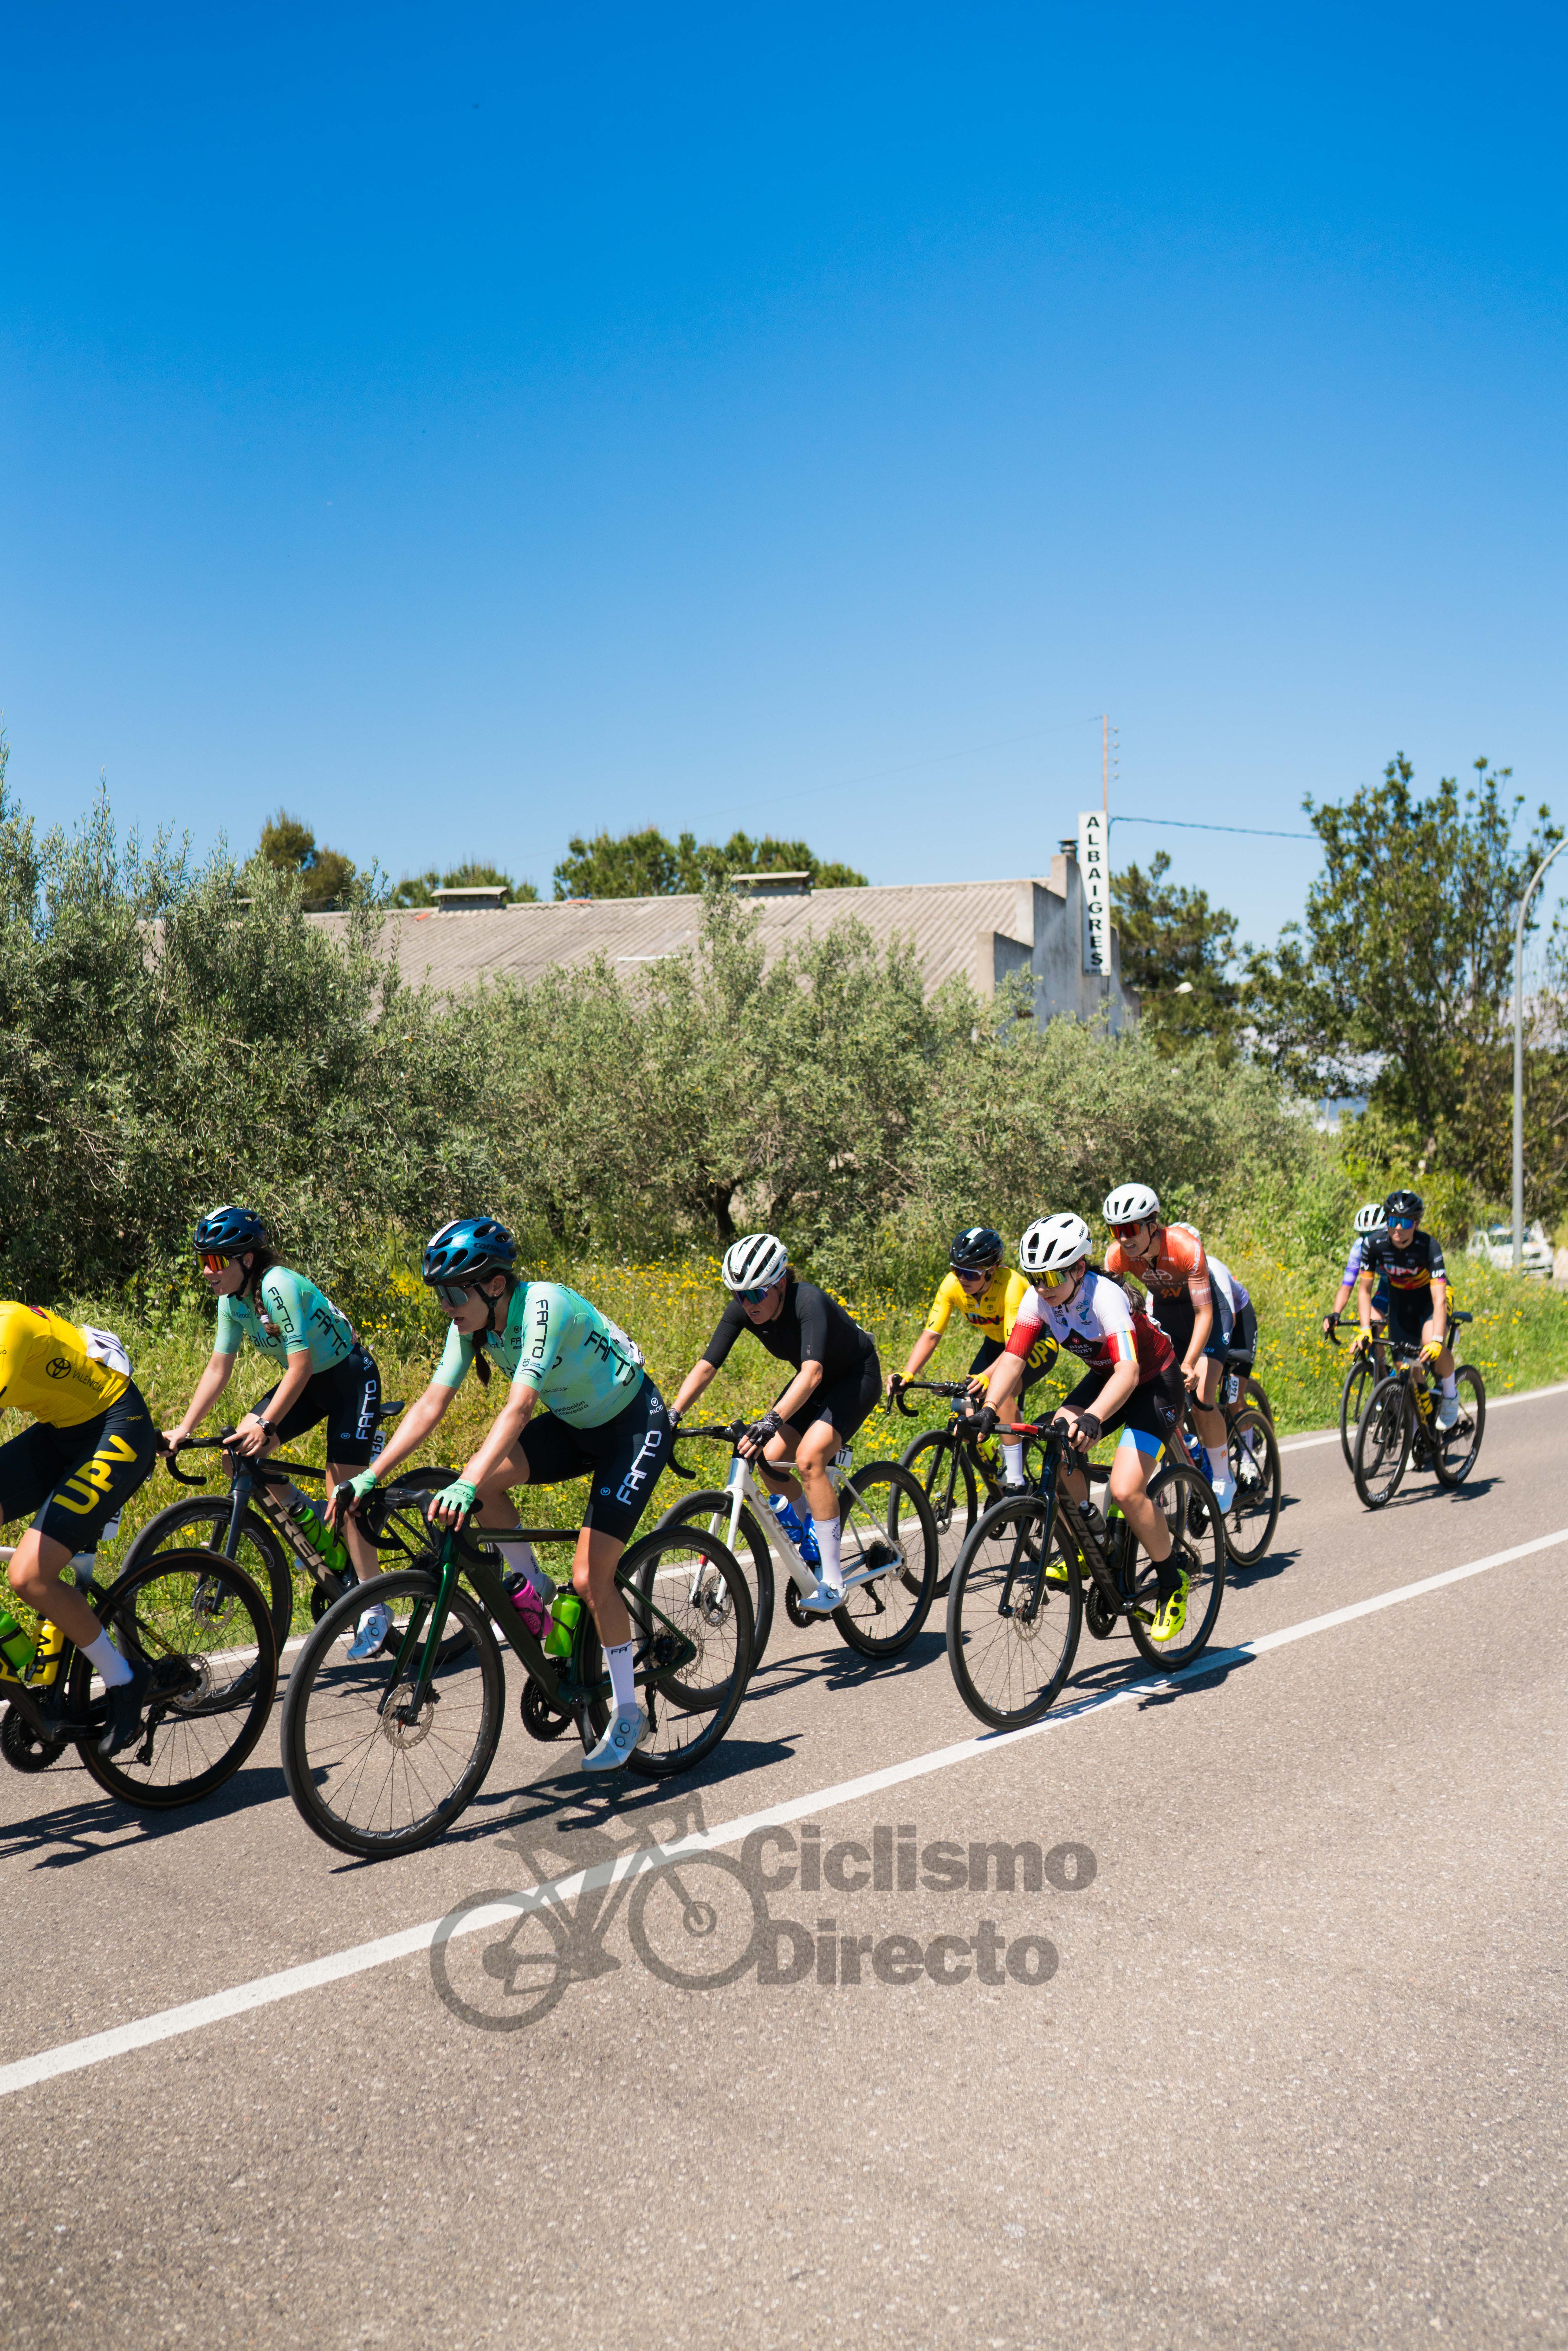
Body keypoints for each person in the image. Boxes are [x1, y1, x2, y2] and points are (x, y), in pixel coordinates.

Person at [332, 1217, 673, 1772]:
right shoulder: (470, 1324)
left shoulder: (543, 1305)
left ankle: (628, 1710)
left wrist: (466, 1481)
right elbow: (428, 1406)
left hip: (631, 1427)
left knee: (591, 1578)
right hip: (574, 1425)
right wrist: (370, 1476)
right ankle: (534, 1587)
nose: (445, 1304)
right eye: (437, 1293)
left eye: (452, 1291)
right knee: (483, 1482)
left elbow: (518, 1408)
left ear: (493, 1283)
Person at [161, 1206, 388, 1658]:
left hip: (348, 1380)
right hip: (305, 1385)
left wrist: (267, 1423)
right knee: (237, 1456)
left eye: (214, 1262)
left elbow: (301, 1365)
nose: (206, 1272)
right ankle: (318, 1536)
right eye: (201, 1261)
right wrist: (185, 1428)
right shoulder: (232, 1301)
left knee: (345, 1493)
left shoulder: (276, 1285)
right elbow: (218, 1367)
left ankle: (375, 1602)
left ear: (246, 1259)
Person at [973, 1213, 1192, 1644]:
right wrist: (990, 1407)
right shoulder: (1038, 1301)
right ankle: (1089, 1534)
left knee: (1128, 1489)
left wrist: (1094, 1416)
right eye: (1035, 1277)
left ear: (1078, 1268)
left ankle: (1172, 1580)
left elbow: (1128, 1371)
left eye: (1052, 1275)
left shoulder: (1104, 1297)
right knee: (1056, 1441)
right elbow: (1014, 1359)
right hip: (1106, 1376)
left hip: (1153, 1384)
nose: (1042, 1287)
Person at [668, 1233, 882, 1614]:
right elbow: (707, 1365)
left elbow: (813, 1372)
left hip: (853, 1377)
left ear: (781, 1282)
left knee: (811, 1458)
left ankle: (832, 1579)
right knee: (767, 1455)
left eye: (755, 1294)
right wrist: (673, 1414)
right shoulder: (743, 1309)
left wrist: (771, 1419)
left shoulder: (808, 1300)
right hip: (812, 1381)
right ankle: (810, 1533)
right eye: (738, 1295)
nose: (747, 1304)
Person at [0, 1302, 158, 1756]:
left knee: (29, 1576)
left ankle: (125, 1679)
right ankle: (29, 1668)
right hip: (61, 1433)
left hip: (116, 1429)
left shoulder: (7, 1331)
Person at [1101, 1184, 1237, 1512]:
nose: (1124, 1238)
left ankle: (1223, 1476)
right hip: (1167, 1314)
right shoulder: (1116, 1257)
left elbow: (1205, 1313)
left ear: (1152, 1224)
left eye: (1131, 1229)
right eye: (1116, 1230)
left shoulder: (1185, 1246)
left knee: (1203, 1394)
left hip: (1207, 1314)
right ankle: (1185, 1448)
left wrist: (1190, 1362)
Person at [889, 1225, 1057, 1489]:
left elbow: (1015, 1349)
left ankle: (1016, 1481)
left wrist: (989, 1376)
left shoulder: (1012, 1286)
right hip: (996, 1344)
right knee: (966, 1408)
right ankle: (997, 1456)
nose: (962, 1279)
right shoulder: (952, 1285)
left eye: (969, 1273)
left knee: (1003, 1391)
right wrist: (909, 1373)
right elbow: (932, 1334)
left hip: (1035, 1342)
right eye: (957, 1270)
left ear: (992, 1270)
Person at [1356, 1189, 1458, 1428]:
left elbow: (1439, 1299)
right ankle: (1415, 1433)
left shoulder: (1428, 1246)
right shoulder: (1375, 1245)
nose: (1398, 1230)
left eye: (1405, 1223)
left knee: (1429, 1341)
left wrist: (1436, 1339)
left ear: (1417, 1224)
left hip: (1431, 1299)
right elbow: (1364, 1291)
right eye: (1393, 1222)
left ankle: (1451, 1394)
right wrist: (1364, 1329)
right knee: (1408, 1369)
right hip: (1401, 1299)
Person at [1324, 1204, 1389, 1359]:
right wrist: (1336, 1314)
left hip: (1411, 1290)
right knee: (1372, 1331)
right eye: (1364, 1236)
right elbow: (1347, 1286)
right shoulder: (1359, 1248)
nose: (1369, 1241)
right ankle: (1388, 1378)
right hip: (1388, 1287)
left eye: (1374, 1234)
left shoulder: (1395, 1246)